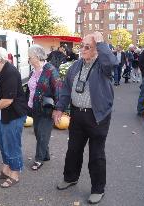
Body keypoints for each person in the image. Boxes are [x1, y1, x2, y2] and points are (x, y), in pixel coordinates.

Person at [52, 31, 117, 204]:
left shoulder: (103, 66)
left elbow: (112, 62)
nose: (83, 49)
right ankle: (70, 177)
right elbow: (66, 89)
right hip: (77, 114)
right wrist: (59, 108)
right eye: (82, 46)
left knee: (96, 154)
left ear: (97, 49)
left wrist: (101, 42)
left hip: (98, 117)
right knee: (73, 150)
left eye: (88, 46)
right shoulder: (76, 65)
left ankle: (98, 189)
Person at [0, 45, 27, 188]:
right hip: (2, 115)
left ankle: (14, 174)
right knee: (3, 144)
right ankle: (6, 170)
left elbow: (8, 100)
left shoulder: (10, 73)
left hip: (13, 115)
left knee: (12, 144)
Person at [27, 44, 61, 170]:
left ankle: (39, 159)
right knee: (38, 132)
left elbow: (58, 89)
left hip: (47, 109)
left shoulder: (50, 70)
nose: (28, 60)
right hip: (34, 107)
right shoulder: (33, 71)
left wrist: (57, 109)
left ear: (37, 57)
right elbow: (30, 90)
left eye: (30, 57)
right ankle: (45, 155)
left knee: (42, 133)